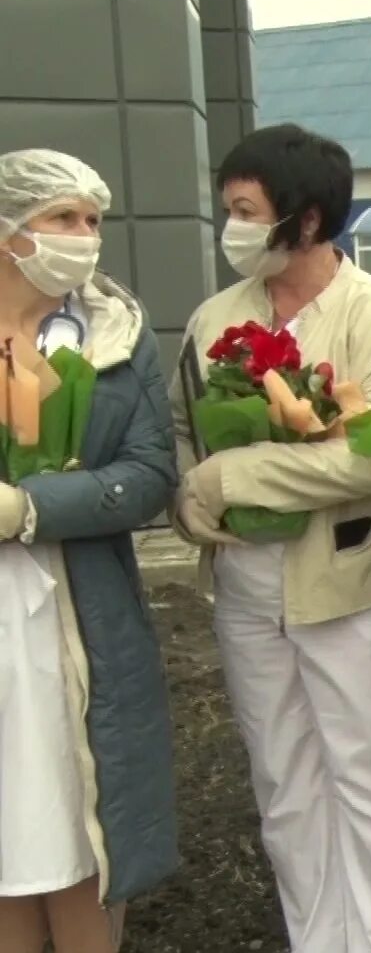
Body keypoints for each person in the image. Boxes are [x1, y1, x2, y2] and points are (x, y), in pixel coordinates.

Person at [169, 124, 371, 953]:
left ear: (308, 221)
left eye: (247, 212)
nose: (232, 229)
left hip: (355, 587)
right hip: (247, 588)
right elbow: (186, 434)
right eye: (228, 211)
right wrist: (193, 499)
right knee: (285, 785)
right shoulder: (216, 317)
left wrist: (235, 479)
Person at [0, 151, 178, 953]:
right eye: (61, 219)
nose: (82, 237)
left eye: (91, 220)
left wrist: (30, 507)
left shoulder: (116, 333)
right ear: (8, 231)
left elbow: (148, 475)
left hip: (79, 621)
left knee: (78, 828)